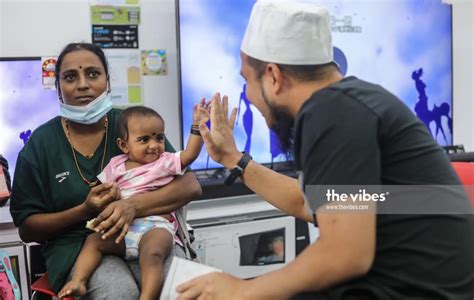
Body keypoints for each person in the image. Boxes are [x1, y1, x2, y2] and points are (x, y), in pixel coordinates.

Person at [176, 1, 474, 299]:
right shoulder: (349, 101)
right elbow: (308, 201)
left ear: (274, 76)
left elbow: (344, 254)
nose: (249, 96)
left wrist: (242, 290)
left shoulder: (329, 111)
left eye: (246, 81)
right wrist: (232, 158)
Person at [9, 42, 202, 298]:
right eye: (70, 77)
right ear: (58, 89)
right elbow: (27, 228)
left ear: (108, 82)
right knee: (119, 293)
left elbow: (190, 185)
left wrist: (132, 206)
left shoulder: (134, 126)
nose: (82, 84)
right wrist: (84, 211)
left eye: (93, 74)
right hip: (79, 247)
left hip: (150, 232)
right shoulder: (41, 145)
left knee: (182, 291)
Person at [59, 104, 209, 299]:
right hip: (124, 231)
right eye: (144, 139)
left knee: (152, 254)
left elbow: (190, 154)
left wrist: (196, 127)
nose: (154, 145)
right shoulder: (116, 165)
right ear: (124, 145)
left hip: (156, 227)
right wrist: (107, 196)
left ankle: (146, 296)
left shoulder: (164, 161)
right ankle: (78, 280)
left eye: (159, 138)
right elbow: (101, 191)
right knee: (93, 241)